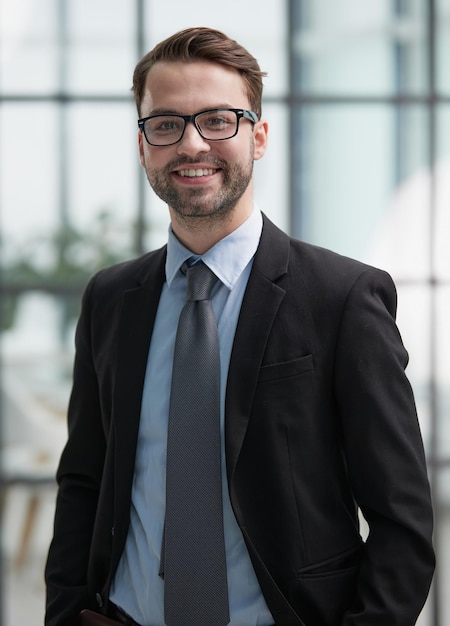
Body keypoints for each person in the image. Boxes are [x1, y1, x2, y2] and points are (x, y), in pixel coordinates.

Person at [45, 26, 435, 626]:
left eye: (219, 120)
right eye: (167, 124)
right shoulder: (111, 298)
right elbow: (83, 481)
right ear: (144, 145)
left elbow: (401, 519)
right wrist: (67, 611)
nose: (192, 143)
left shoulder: (343, 298)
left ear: (259, 136)